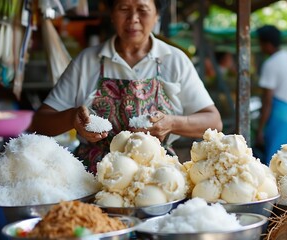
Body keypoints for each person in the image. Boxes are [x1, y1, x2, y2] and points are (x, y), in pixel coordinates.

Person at [29, 0, 222, 173]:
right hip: (94, 178)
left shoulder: (174, 60)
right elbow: (40, 123)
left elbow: (213, 121)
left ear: (156, 15)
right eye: (124, 9)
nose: (133, 19)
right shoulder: (87, 61)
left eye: (143, 9)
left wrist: (172, 123)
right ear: (112, 14)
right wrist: (72, 119)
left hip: (158, 176)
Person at [255, 25, 287, 165]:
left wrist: (260, 130)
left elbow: (267, 100)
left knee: (275, 161)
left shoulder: (270, 64)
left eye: (260, 44)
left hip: (279, 114)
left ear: (267, 44)